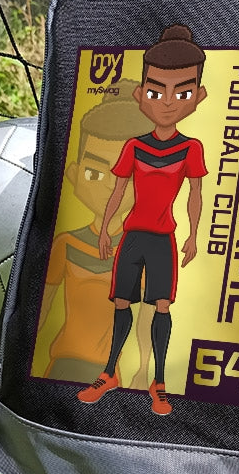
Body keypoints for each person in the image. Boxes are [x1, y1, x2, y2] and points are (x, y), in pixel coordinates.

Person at [78, 24, 208, 415]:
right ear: (141, 96)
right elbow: (118, 191)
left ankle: (159, 382)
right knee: (122, 302)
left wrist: (193, 236)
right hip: (132, 236)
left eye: (181, 93)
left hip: (163, 239)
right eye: (155, 92)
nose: (167, 102)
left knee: (161, 306)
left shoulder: (191, 148)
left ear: (198, 96)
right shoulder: (134, 146)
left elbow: (195, 194)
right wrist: (105, 229)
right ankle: (109, 373)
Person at [38, 82, 154, 385]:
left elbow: (148, 319)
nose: (111, 186)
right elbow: (42, 307)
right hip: (61, 364)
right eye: (94, 173)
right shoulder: (66, 244)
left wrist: (145, 369)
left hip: (108, 374)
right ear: (74, 174)